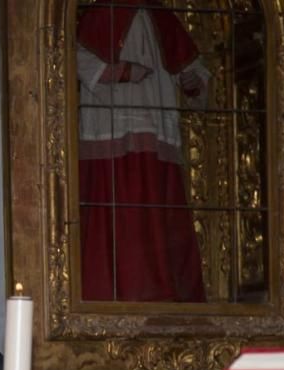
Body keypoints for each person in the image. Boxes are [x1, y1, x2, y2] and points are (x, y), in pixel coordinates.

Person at [76, 0, 208, 302]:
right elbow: (72, 58)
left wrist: (192, 81)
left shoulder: (162, 16)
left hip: (155, 125)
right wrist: (118, 72)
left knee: (158, 214)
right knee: (116, 211)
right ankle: (109, 292)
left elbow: (194, 70)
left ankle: (163, 290)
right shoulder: (100, 12)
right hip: (112, 126)